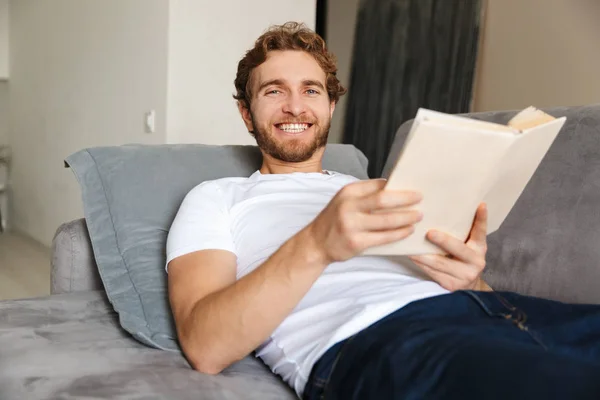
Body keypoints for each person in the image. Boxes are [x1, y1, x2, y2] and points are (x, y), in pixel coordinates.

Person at [165, 22, 600, 400]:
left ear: (330, 106)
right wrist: (317, 242)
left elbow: (459, 277)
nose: (295, 106)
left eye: (310, 90)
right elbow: (205, 345)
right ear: (246, 112)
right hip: (387, 340)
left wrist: (473, 281)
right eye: (274, 91)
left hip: (504, 312)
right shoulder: (216, 197)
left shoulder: (376, 188)